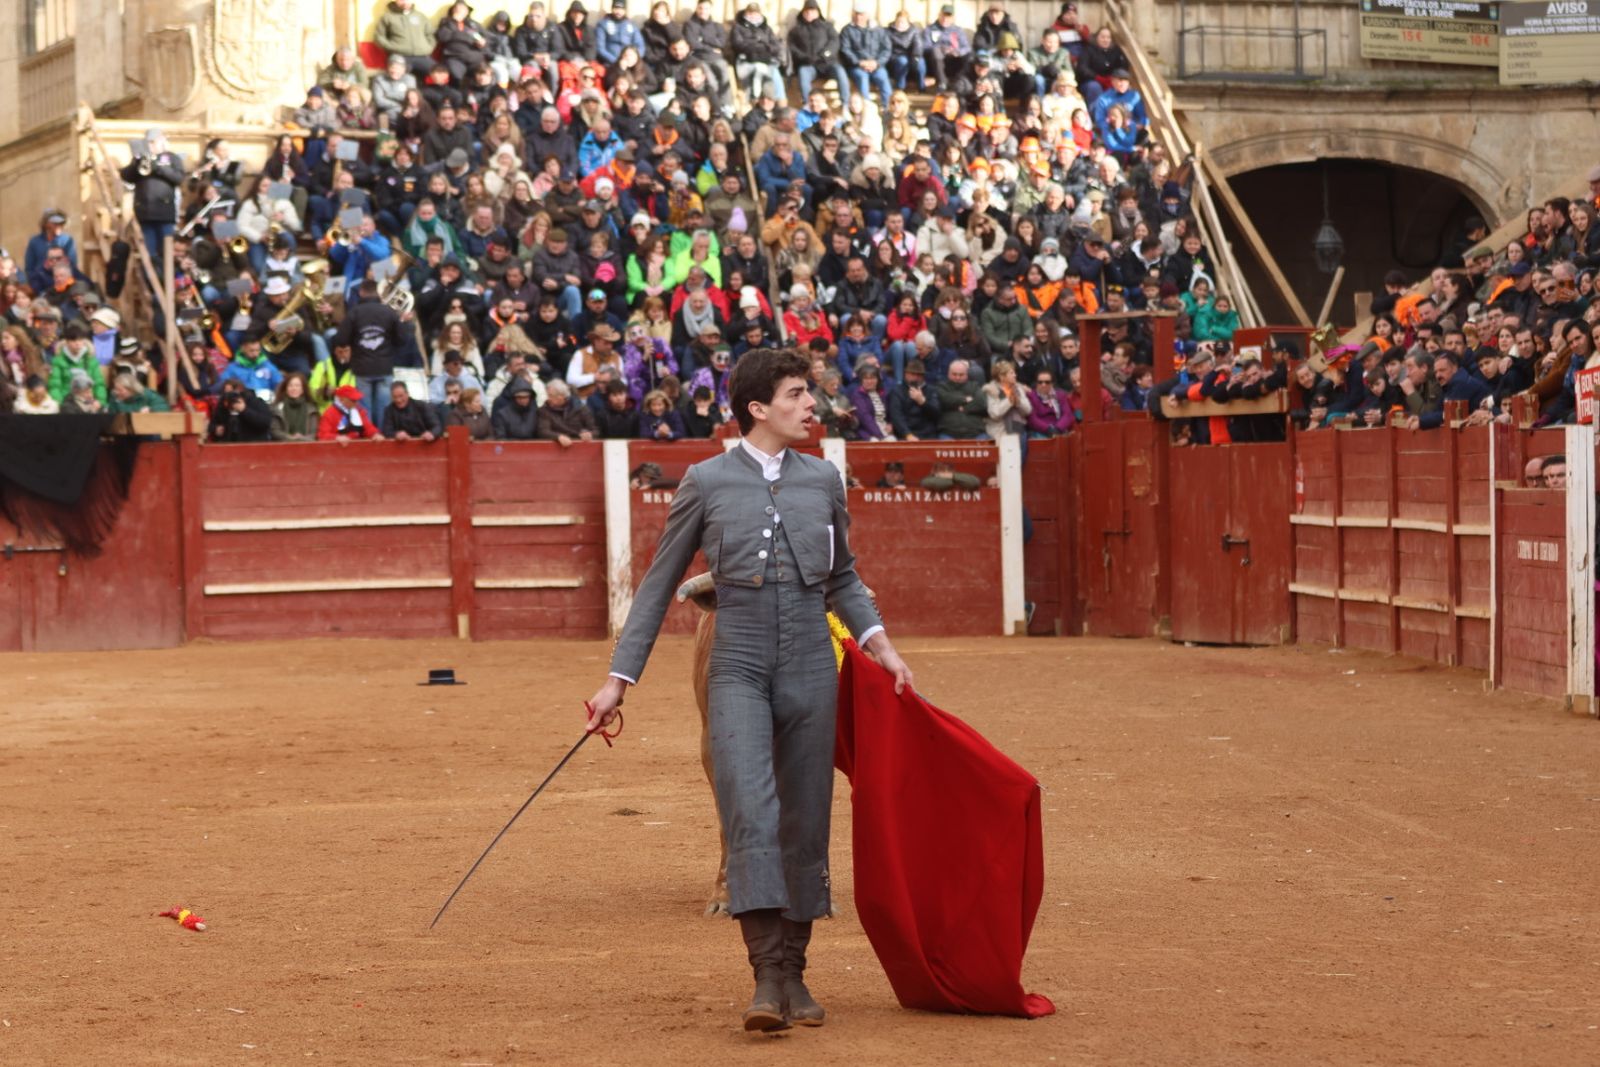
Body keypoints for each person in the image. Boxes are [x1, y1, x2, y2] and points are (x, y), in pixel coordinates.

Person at [585, 347, 912, 1033]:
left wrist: (881, 645)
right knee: (750, 811)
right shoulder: (705, 481)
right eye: (798, 393)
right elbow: (656, 584)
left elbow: (843, 577)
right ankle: (765, 977)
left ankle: (795, 972)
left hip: (810, 668)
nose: (812, 404)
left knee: (805, 816)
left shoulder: (824, 479)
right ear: (759, 407)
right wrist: (620, 679)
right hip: (735, 663)